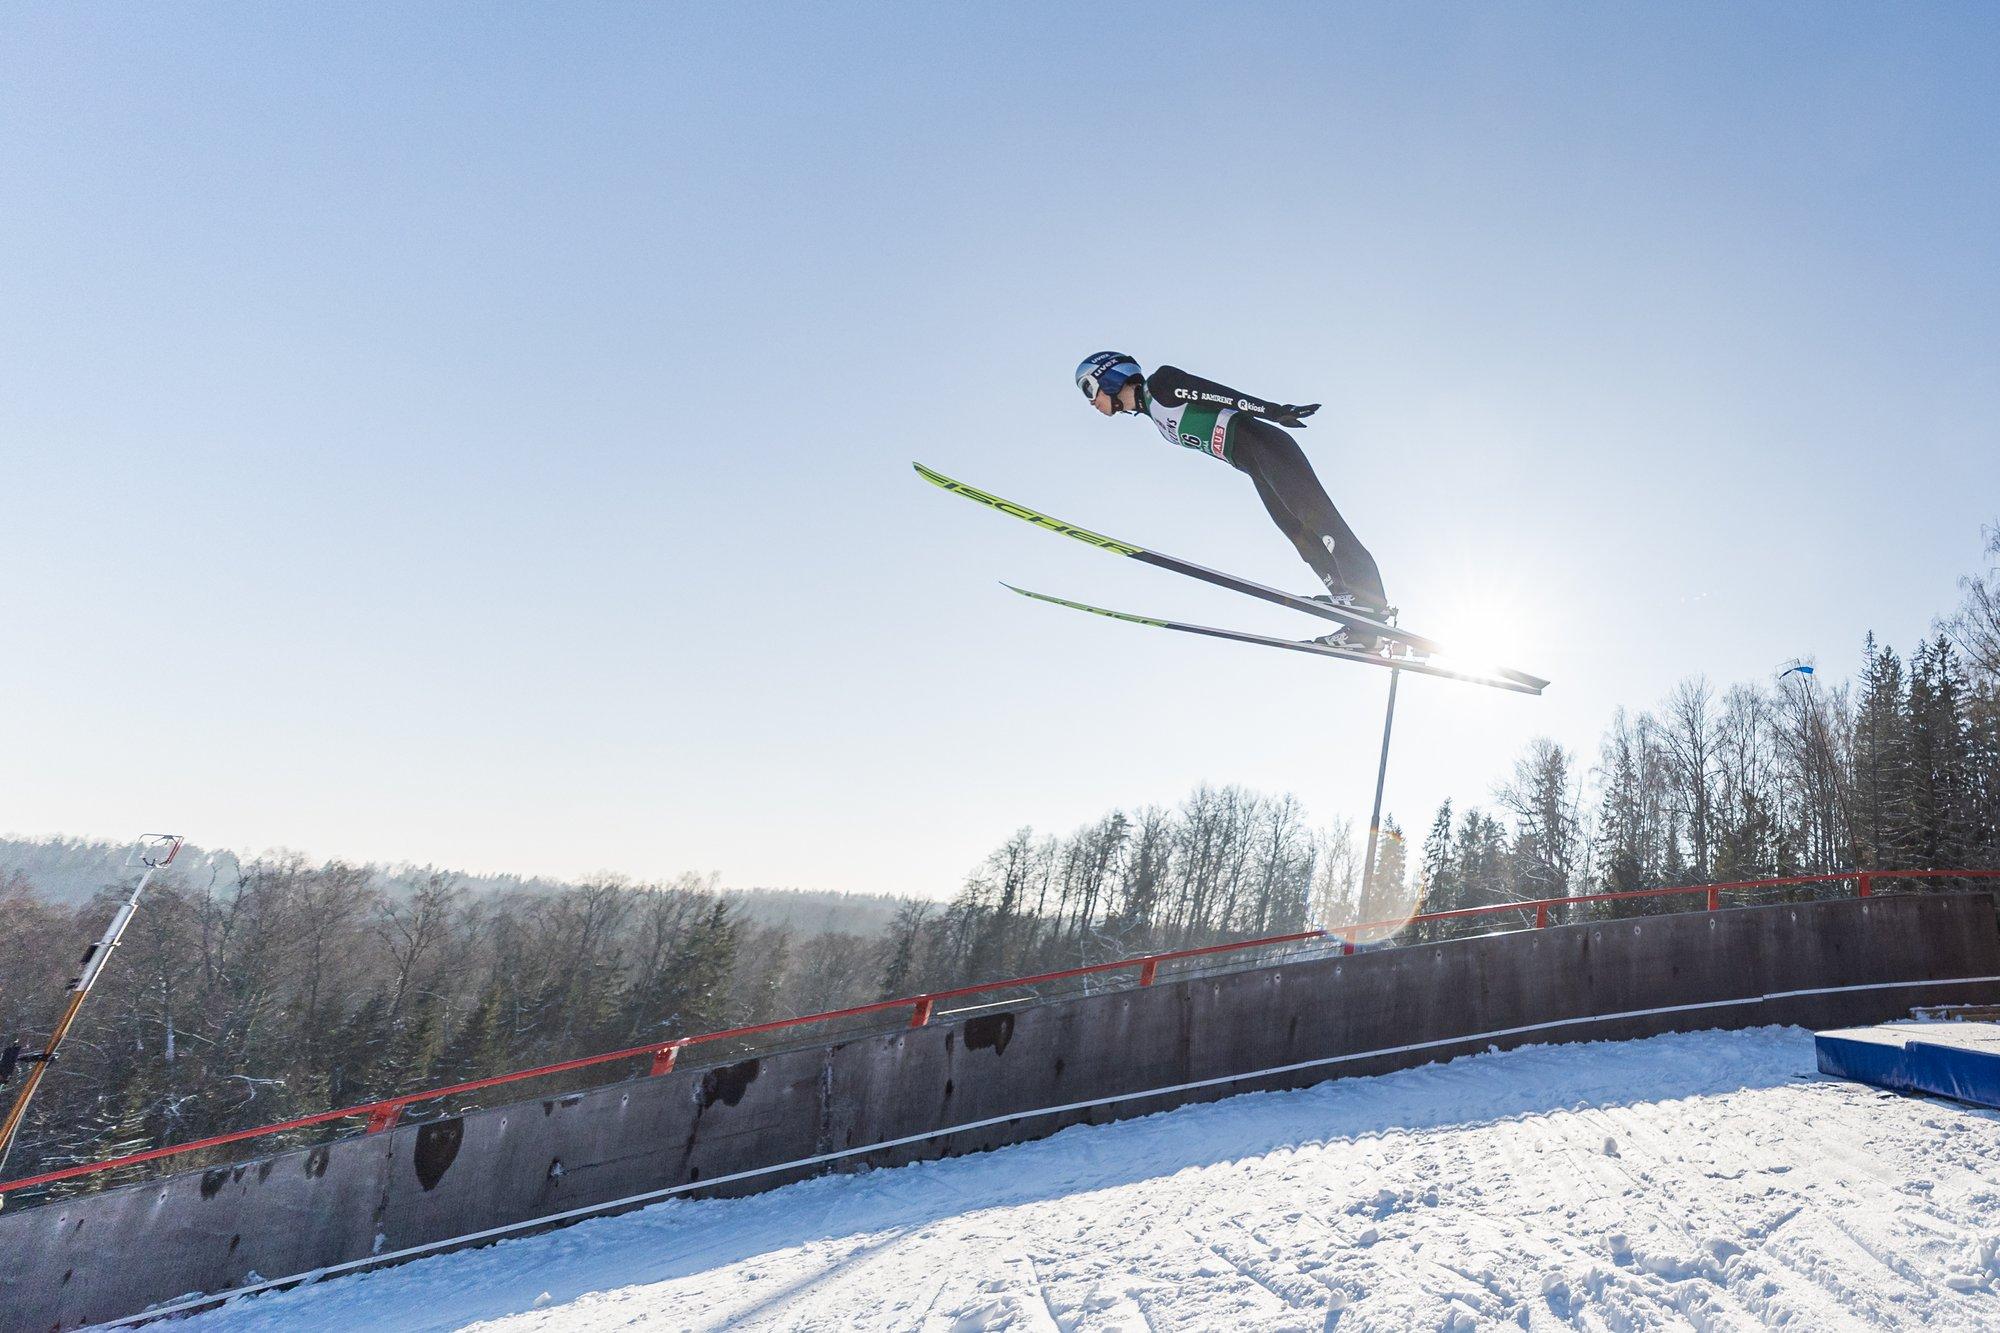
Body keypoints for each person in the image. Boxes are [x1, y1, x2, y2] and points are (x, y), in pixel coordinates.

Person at [1074, 352, 1391, 648]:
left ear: (1111, 376)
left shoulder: (1160, 385)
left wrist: (1272, 410)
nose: (1092, 402)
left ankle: (1370, 602)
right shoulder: (1154, 415)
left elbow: (1214, 393)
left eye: (1090, 389)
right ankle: (1357, 622)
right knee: (1301, 537)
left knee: (1323, 524)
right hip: (1254, 466)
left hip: (1267, 447)